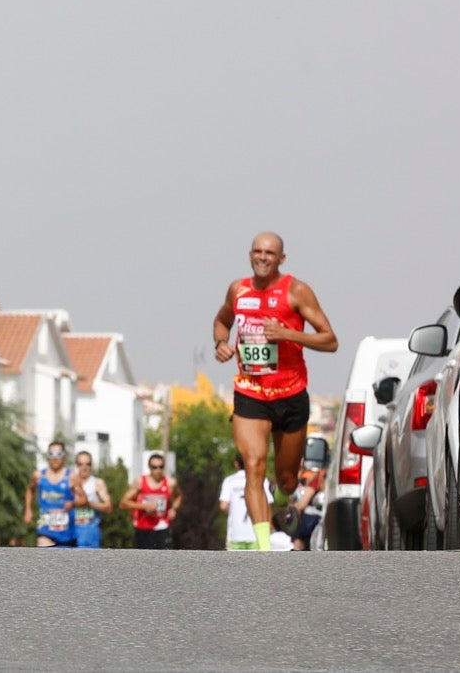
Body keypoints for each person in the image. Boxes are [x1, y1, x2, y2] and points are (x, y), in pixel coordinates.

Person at [212, 232, 339, 552]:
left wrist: (286, 333)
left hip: (290, 393)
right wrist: (221, 344)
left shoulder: (296, 291)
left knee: (286, 480)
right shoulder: (238, 290)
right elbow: (221, 321)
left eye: (270, 252)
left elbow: (330, 340)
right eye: (257, 251)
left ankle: (291, 499)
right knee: (253, 464)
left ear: (281, 258)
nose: (263, 257)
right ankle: (264, 547)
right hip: (250, 392)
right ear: (249, 255)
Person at [121, 452, 182, 549]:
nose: (158, 470)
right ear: (149, 468)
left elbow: (179, 496)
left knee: (163, 560)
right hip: (143, 528)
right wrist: (143, 506)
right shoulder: (140, 482)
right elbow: (123, 503)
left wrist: (173, 509)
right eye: (154, 467)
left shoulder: (170, 483)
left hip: (162, 527)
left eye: (161, 467)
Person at [24, 441, 77, 547]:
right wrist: (28, 509)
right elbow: (30, 490)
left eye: (58, 454)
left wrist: (73, 503)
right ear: (47, 456)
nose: (55, 458)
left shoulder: (72, 476)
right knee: (46, 560)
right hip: (45, 529)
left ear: (64, 455)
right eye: (51, 454)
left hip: (67, 532)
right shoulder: (38, 475)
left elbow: (84, 499)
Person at [218, 453, 274, 551]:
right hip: (256, 533)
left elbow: (223, 505)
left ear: (236, 464)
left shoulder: (230, 481)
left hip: (236, 532)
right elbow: (268, 505)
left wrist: (234, 510)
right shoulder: (262, 480)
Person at [70, 450, 113, 549]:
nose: (84, 467)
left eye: (87, 464)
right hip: (71, 530)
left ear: (91, 465)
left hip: (90, 530)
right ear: (76, 465)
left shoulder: (97, 483)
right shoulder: (70, 483)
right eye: (81, 464)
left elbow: (108, 507)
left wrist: (88, 503)